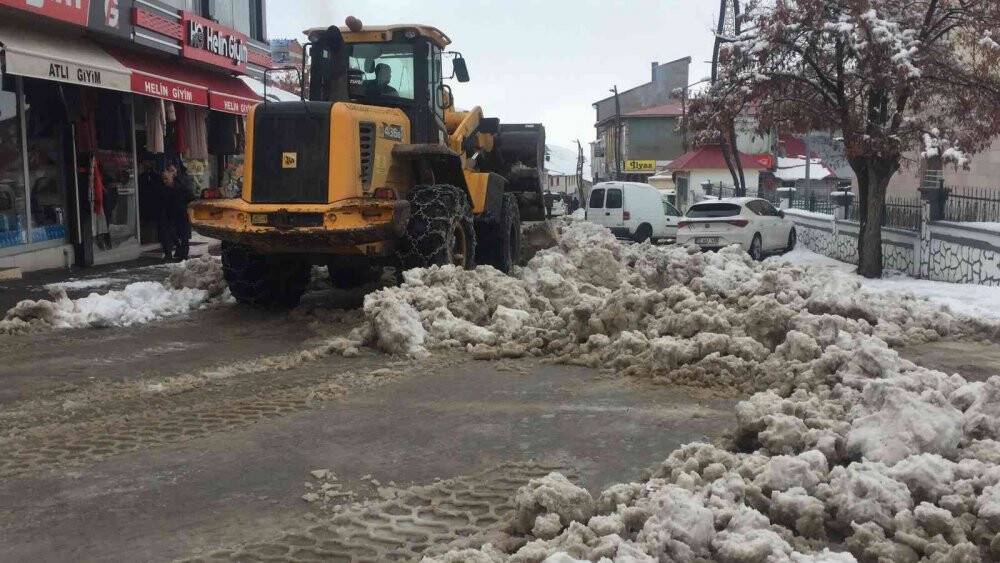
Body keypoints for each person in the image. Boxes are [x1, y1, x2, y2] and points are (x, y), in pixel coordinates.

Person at [157, 163, 195, 262]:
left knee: (183, 235)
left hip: (181, 214)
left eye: (166, 179)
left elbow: (191, 197)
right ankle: (170, 253)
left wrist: (188, 208)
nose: (165, 181)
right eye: (163, 179)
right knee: (168, 234)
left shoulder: (181, 186)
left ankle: (183, 255)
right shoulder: (163, 188)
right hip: (169, 214)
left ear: (173, 176)